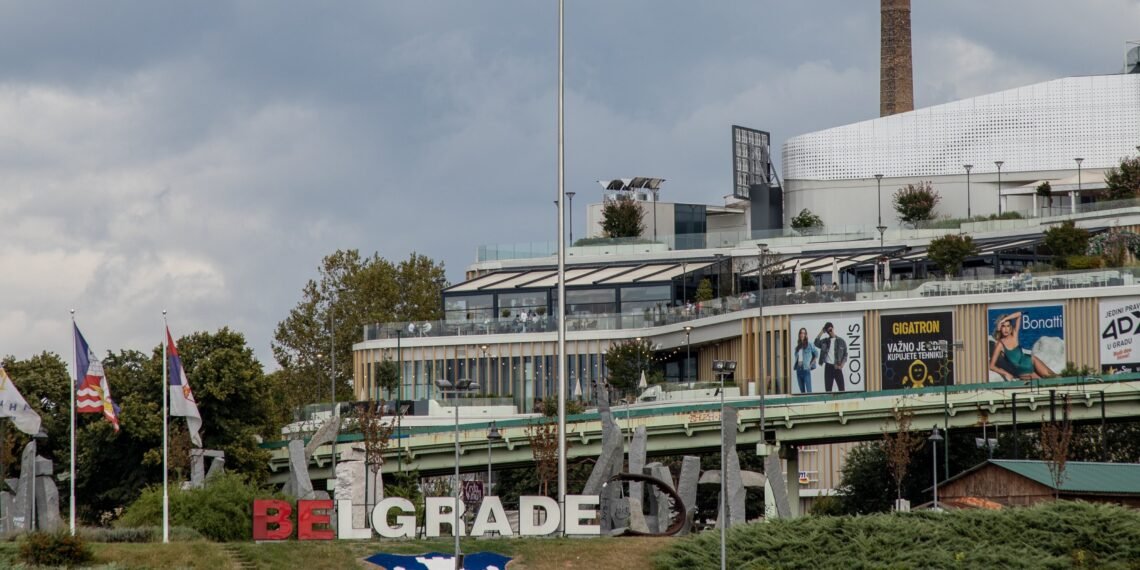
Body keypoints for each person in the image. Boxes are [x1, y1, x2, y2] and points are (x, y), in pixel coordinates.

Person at [989, 311, 1057, 380]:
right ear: (1000, 328)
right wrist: (1005, 373)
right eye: (1003, 326)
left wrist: (1004, 320)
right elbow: (991, 366)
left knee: (1053, 377)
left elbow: (1019, 314)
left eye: (1008, 326)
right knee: (1045, 382)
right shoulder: (1000, 344)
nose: (1006, 329)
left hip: (1030, 361)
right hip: (1023, 371)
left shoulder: (1014, 335)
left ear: (1010, 327)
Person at [814, 322, 848, 392]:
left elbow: (845, 354)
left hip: (837, 366)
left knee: (842, 389)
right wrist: (822, 331)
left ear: (833, 328)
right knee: (828, 390)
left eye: (830, 330)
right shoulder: (825, 341)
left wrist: (842, 364)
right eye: (828, 331)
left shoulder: (841, 341)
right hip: (828, 367)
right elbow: (816, 343)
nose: (830, 332)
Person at [792, 328, 818, 393]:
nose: (802, 334)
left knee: (809, 392)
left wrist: (811, 364)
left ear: (806, 335)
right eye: (801, 333)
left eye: (804, 333)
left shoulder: (810, 344)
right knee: (802, 392)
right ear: (799, 334)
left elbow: (816, 354)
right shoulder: (797, 347)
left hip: (806, 369)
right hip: (798, 370)